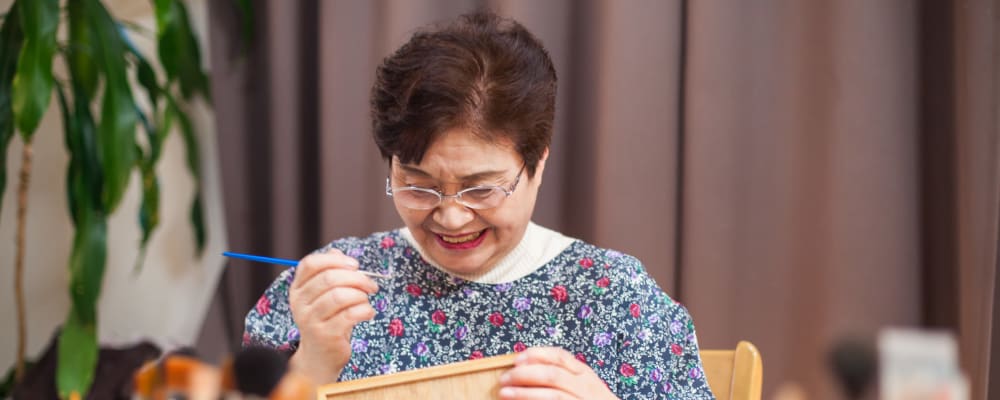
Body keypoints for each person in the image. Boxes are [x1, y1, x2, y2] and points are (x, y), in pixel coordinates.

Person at [244, 11, 715, 399]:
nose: (450, 217)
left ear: (538, 164)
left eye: (481, 189)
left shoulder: (614, 296)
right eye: (418, 185)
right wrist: (312, 363)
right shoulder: (328, 293)